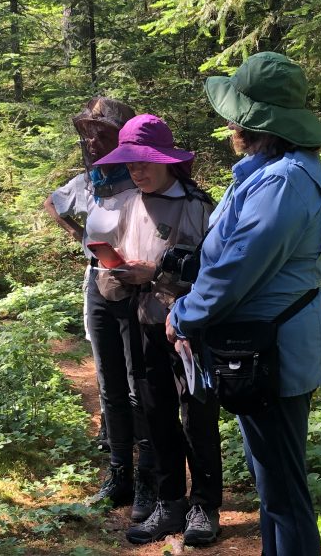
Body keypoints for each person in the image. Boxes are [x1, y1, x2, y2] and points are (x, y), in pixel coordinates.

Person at [167, 51, 321, 556]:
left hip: (273, 354)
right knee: (274, 487)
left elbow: (235, 269)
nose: (229, 123)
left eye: (235, 113)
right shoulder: (269, 173)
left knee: (284, 490)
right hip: (265, 350)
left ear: (253, 120)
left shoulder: (283, 180)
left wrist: (183, 315)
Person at [90, 114, 222, 546]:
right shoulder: (129, 202)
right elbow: (129, 254)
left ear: (168, 161)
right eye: (130, 165)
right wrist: (118, 271)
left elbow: (214, 271)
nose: (137, 171)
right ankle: (170, 502)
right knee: (155, 414)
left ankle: (205, 505)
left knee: (197, 415)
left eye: (145, 163)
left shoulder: (197, 205)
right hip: (144, 323)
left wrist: (158, 273)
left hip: (188, 330)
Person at [42, 98, 160, 522]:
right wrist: (79, 236)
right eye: (88, 131)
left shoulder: (143, 176)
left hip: (140, 290)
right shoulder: (92, 179)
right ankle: (119, 475)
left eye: (103, 132)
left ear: (124, 135)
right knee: (109, 383)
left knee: (139, 384)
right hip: (99, 282)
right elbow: (53, 203)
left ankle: (149, 478)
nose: (92, 139)